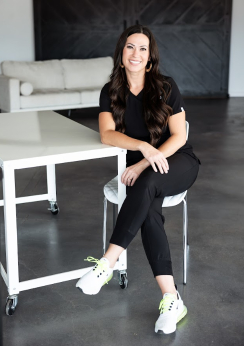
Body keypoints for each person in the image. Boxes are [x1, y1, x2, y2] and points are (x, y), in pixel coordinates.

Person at [76, 24, 200, 335]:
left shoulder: (166, 86)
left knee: (146, 185)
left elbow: (179, 136)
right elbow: (107, 135)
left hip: (178, 161)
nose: (136, 53)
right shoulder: (111, 91)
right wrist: (143, 147)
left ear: (150, 57)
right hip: (145, 172)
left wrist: (145, 161)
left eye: (143, 49)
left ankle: (107, 263)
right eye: (130, 47)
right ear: (121, 55)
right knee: (148, 210)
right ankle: (172, 299)